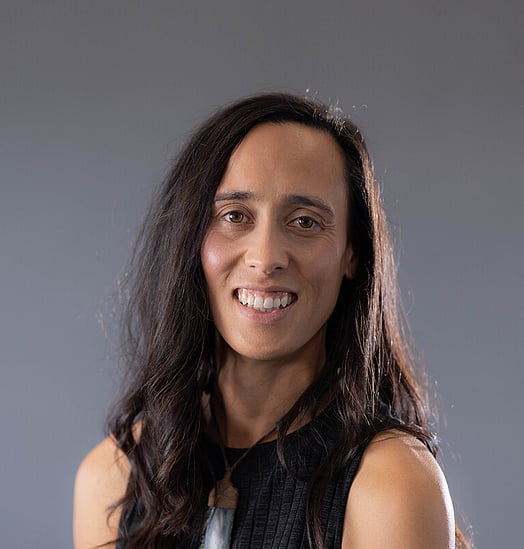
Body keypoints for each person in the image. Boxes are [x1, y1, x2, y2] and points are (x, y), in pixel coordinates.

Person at [73, 92, 469, 548]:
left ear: (352, 253)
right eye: (235, 216)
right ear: (189, 239)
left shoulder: (391, 486)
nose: (265, 258)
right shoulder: (113, 477)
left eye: (305, 222)